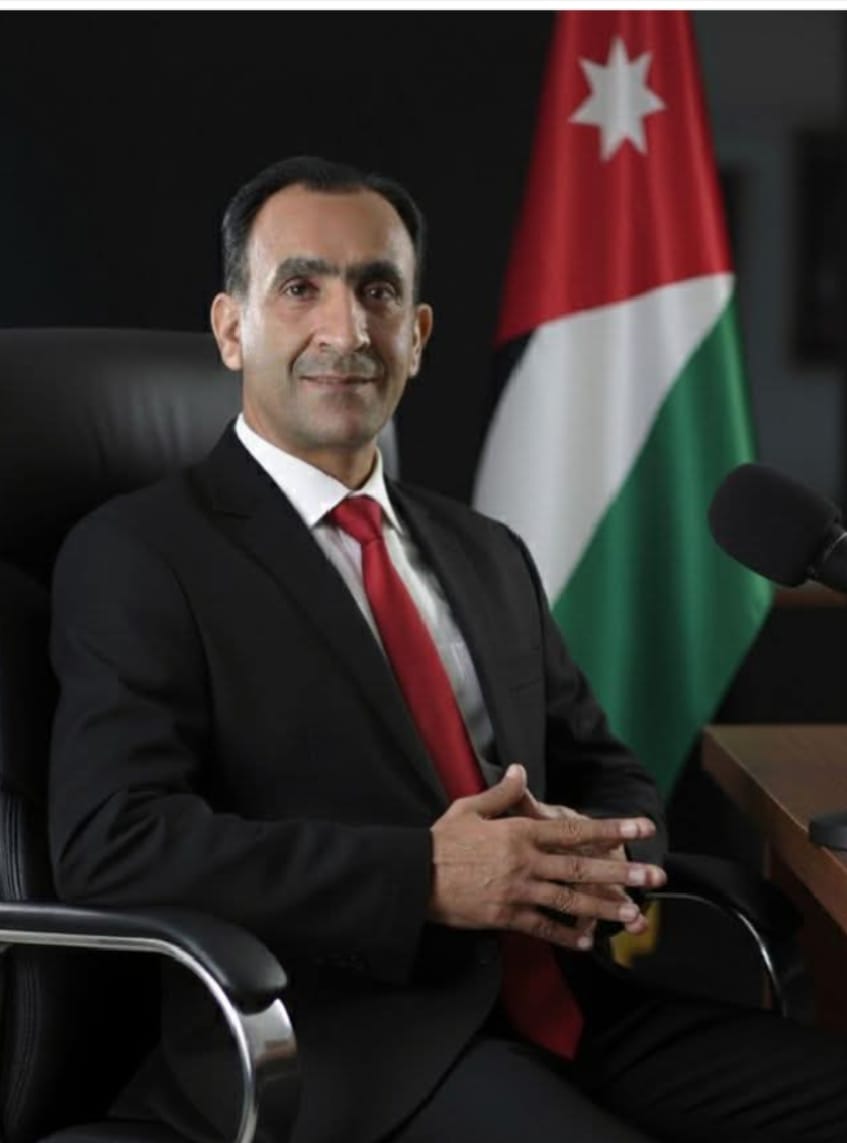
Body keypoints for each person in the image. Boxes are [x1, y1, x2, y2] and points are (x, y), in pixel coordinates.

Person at [48, 155, 847, 1143]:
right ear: (230, 327)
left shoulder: (484, 550)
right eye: (300, 288)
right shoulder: (139, 553)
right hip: (346, 1045)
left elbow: (605, 769)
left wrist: (583, 857)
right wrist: (424, 874)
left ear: (417, 335)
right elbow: (114, 841)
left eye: (378, 291)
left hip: (579, 1006)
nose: (346, 330)